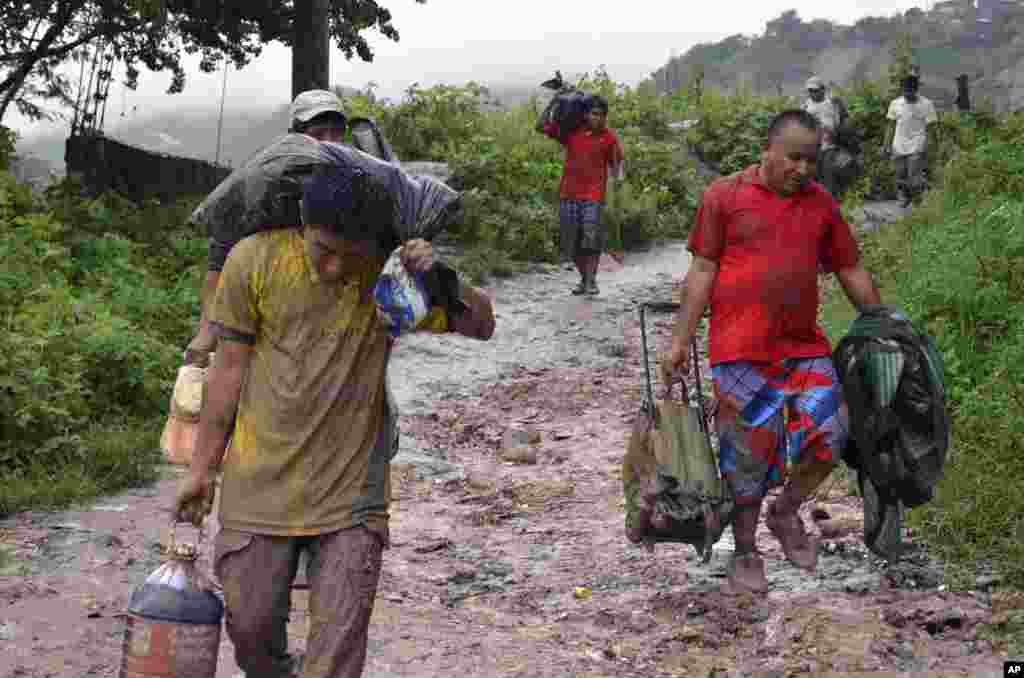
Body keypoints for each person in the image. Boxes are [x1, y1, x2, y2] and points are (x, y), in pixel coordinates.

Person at [172, 164, 495, 678]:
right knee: (251, 633)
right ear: (303, 223)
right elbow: (228, 372)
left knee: (336, 656)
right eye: (323, 250)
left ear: (372, 245)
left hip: (351, 495)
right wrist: (201, 470)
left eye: (350, 256)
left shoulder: (388, 280)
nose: (333, 269)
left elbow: (482, 325)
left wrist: (439, 277)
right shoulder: (254, 261)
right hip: (259, 486)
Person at [664, 110, 882, 595]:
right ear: (769, 149)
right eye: (794, 158)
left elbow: (849, 267)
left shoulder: (820, 204)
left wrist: (881, 323)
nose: (803, 170)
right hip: (740, 354)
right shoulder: (725, 196)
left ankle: (784, 512)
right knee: (748, 450)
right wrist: (680, 338)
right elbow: (702, 269)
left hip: (801, 352)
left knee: (832, 432)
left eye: (812, 160)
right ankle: (745, 552)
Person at [183, 89, 350, 367]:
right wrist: (206, 334)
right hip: (267, 316)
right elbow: (219, 263)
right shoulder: (260, 184)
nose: (330, 143)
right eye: (319, 133)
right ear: (293, 134)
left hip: (331, 324)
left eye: (337, 133)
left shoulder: (355, 182)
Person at [537, 94, 625, 296]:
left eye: (602, 115)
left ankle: (591, 281)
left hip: (594, 195)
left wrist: (618, 180)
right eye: (594, 114)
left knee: (591, 238)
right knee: (572, 242)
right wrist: (553, 102)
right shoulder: (572, 133)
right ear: (586, 115)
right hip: (568, 193)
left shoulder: (609, 137)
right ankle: (585, 279)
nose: (598, 118)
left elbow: (617, 164)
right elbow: (541, 126)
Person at [884, 74, 938, 207]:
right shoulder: (895, 104)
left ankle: (917, 199)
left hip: (917, 144)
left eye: (910, 90)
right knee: (900, 173)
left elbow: (931, 127)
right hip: (899, 144)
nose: (908, 93)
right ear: (902, 89)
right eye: (905, 90)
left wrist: (933, 144)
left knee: (914, 175)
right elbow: (891, 126)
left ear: (916, 89)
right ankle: (905, 195)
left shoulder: (926, 104)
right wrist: (886, 144)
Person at [801, 76, 845, 197]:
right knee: (812, 178)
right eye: (810, 91)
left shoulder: (831, 104)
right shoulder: (806, 105)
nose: (812, 93)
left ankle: (831, 204)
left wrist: (819, 123)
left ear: (822, 89)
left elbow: (836, 127)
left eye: (815, 90)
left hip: (828, 147)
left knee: (828, 178)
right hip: (812, 148)